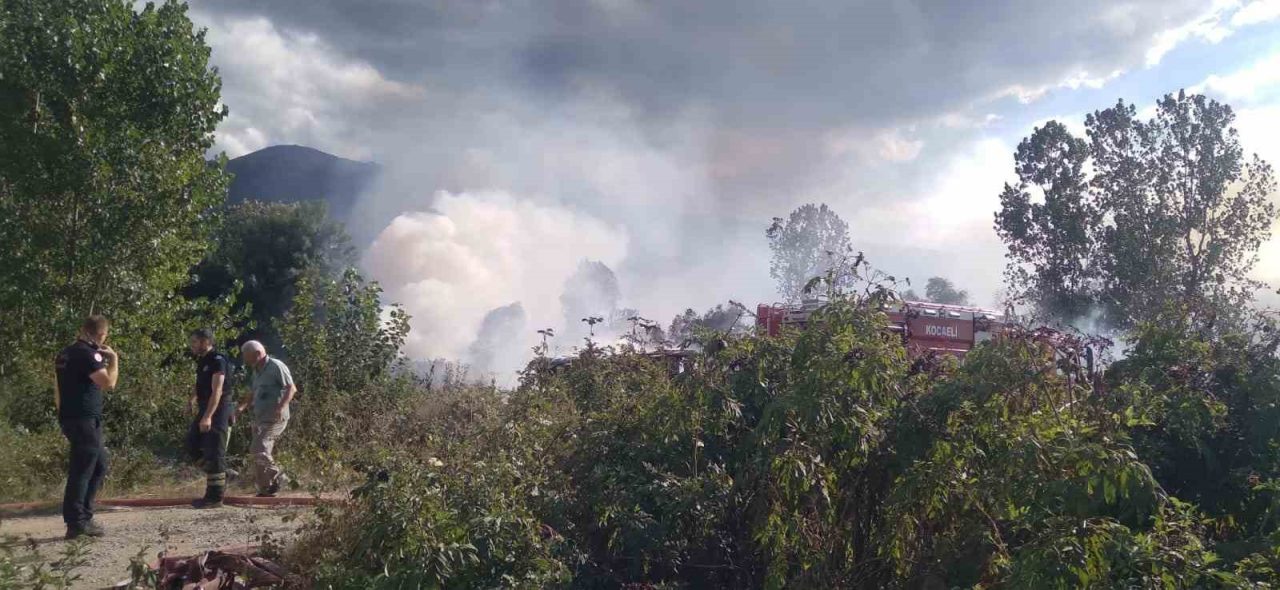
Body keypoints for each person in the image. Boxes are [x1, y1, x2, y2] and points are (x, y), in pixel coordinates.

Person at [54, 315, 118, 539]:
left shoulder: (65, 353)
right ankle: (76, 523)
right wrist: (114, 360)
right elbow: (108, 383)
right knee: (82, 469)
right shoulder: (88, 354)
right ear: (101, 334)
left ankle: (85, 517)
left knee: (99, 465)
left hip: (72, 417)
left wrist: (62, 414)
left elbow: (58, 389)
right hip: (83, 419)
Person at [236, 340, 295, 497]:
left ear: (257, 354)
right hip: (261, 418)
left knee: (260, 448)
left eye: (247, 356)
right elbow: (253, 393)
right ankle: (266, 489)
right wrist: (241, 408)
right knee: (258, 451)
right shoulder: (257, 371)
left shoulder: (276, 366)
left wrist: (281, 407)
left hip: (276, 417)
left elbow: (291, 388)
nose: (245, 359)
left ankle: (281, 477)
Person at [185, 328, 232, 508]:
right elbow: (201, 386)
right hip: (205, 406)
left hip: (218, 409)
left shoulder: (218, 360)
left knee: (214, 451)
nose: (193, 346)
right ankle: (222, 473)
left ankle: (214, 497)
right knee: (192, 444)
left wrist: (208, 416)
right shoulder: (203, 361)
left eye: (195, 342)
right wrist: (192, 399)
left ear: (206, 341)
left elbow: (217, 390)